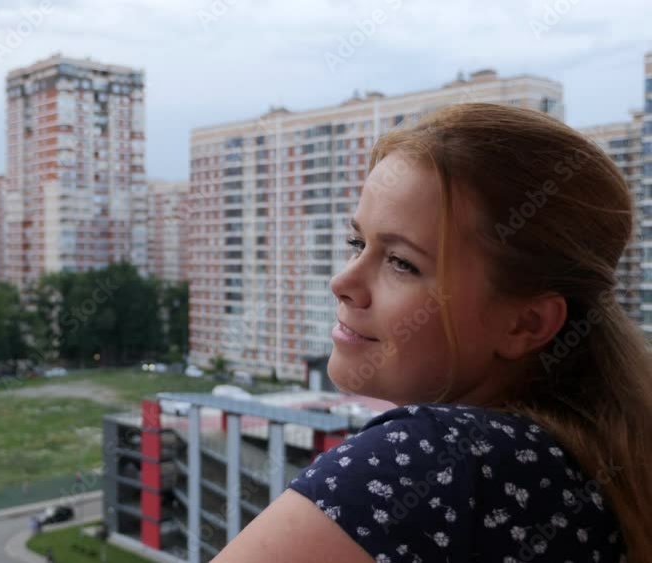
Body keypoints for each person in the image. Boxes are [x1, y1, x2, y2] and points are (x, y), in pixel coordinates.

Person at [213, 103, 651, 562]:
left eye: (402, 263)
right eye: (357, 243)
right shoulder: (595, 470)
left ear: (527, 323)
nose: (342, 283)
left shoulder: (430, 461)